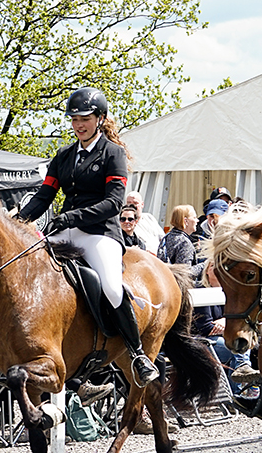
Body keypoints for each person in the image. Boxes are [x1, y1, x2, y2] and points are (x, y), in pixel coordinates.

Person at [16, 87, 158, 387]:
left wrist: (72, 217)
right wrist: (18, 221)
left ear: (99, 119)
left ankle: (136, 354)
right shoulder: (64, 155)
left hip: (100, 232)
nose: (78, 124)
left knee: (111, 286)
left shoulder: (113, 153)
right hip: (64, 230)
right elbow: (44, 196)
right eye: (74, 119)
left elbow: (113, 202)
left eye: (85, 118)